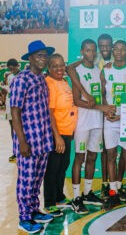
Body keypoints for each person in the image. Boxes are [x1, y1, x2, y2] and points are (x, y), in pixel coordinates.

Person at [11, 40, 55, 233]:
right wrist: (22, 142)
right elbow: (15, 112)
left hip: (42, 140)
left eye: (45, 55)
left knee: (37, 179)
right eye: (39, 55)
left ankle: (34, 210)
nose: (43, 59)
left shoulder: (42, 79)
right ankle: (24, 218)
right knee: (26, 180)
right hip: (28, 141)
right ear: (30, 58)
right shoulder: (21, 80)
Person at [70, 39, 116, 214]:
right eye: (87, 50)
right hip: (83, 122)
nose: (90, 54)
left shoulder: (99, 70)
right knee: (79, 158)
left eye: (92, 51)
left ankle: (88, 193)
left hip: (97, 121)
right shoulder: (77, 71)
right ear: (82, 51)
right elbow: (77, 100)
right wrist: (101, 107)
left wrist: (103, 109)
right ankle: (76, 197)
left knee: (92, 158)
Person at [101, 40, 126, 211]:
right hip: (109, 120)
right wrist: (105, 110)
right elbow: (102, 95)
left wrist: (122, 115)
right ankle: (113, 193)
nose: (118, 52)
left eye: (122, 49)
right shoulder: (106, 70)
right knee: (110, 155)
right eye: (115, 49)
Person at [43, 54, 78, 217]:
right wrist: (56, 136)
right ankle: (49, 202)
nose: (59, 69)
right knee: (52, 169)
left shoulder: (63, 81)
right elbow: (49, 112)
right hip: (56, 134)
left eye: (61, 65)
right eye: (55, 66)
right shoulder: (49, 83)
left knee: (62, 167)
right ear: (48, 68)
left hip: (67, 132)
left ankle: (59, 196)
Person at [3, 58, 20, 162]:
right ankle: (15, 151)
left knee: (19, 129)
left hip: (18, 106)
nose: (12, 70)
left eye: (13, 68)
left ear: (18, 66)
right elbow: (9, 89)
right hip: (10, 105)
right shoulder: (9, 77)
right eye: (10, 69)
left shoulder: (22, 76)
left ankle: (20, 150)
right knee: (12, 129)